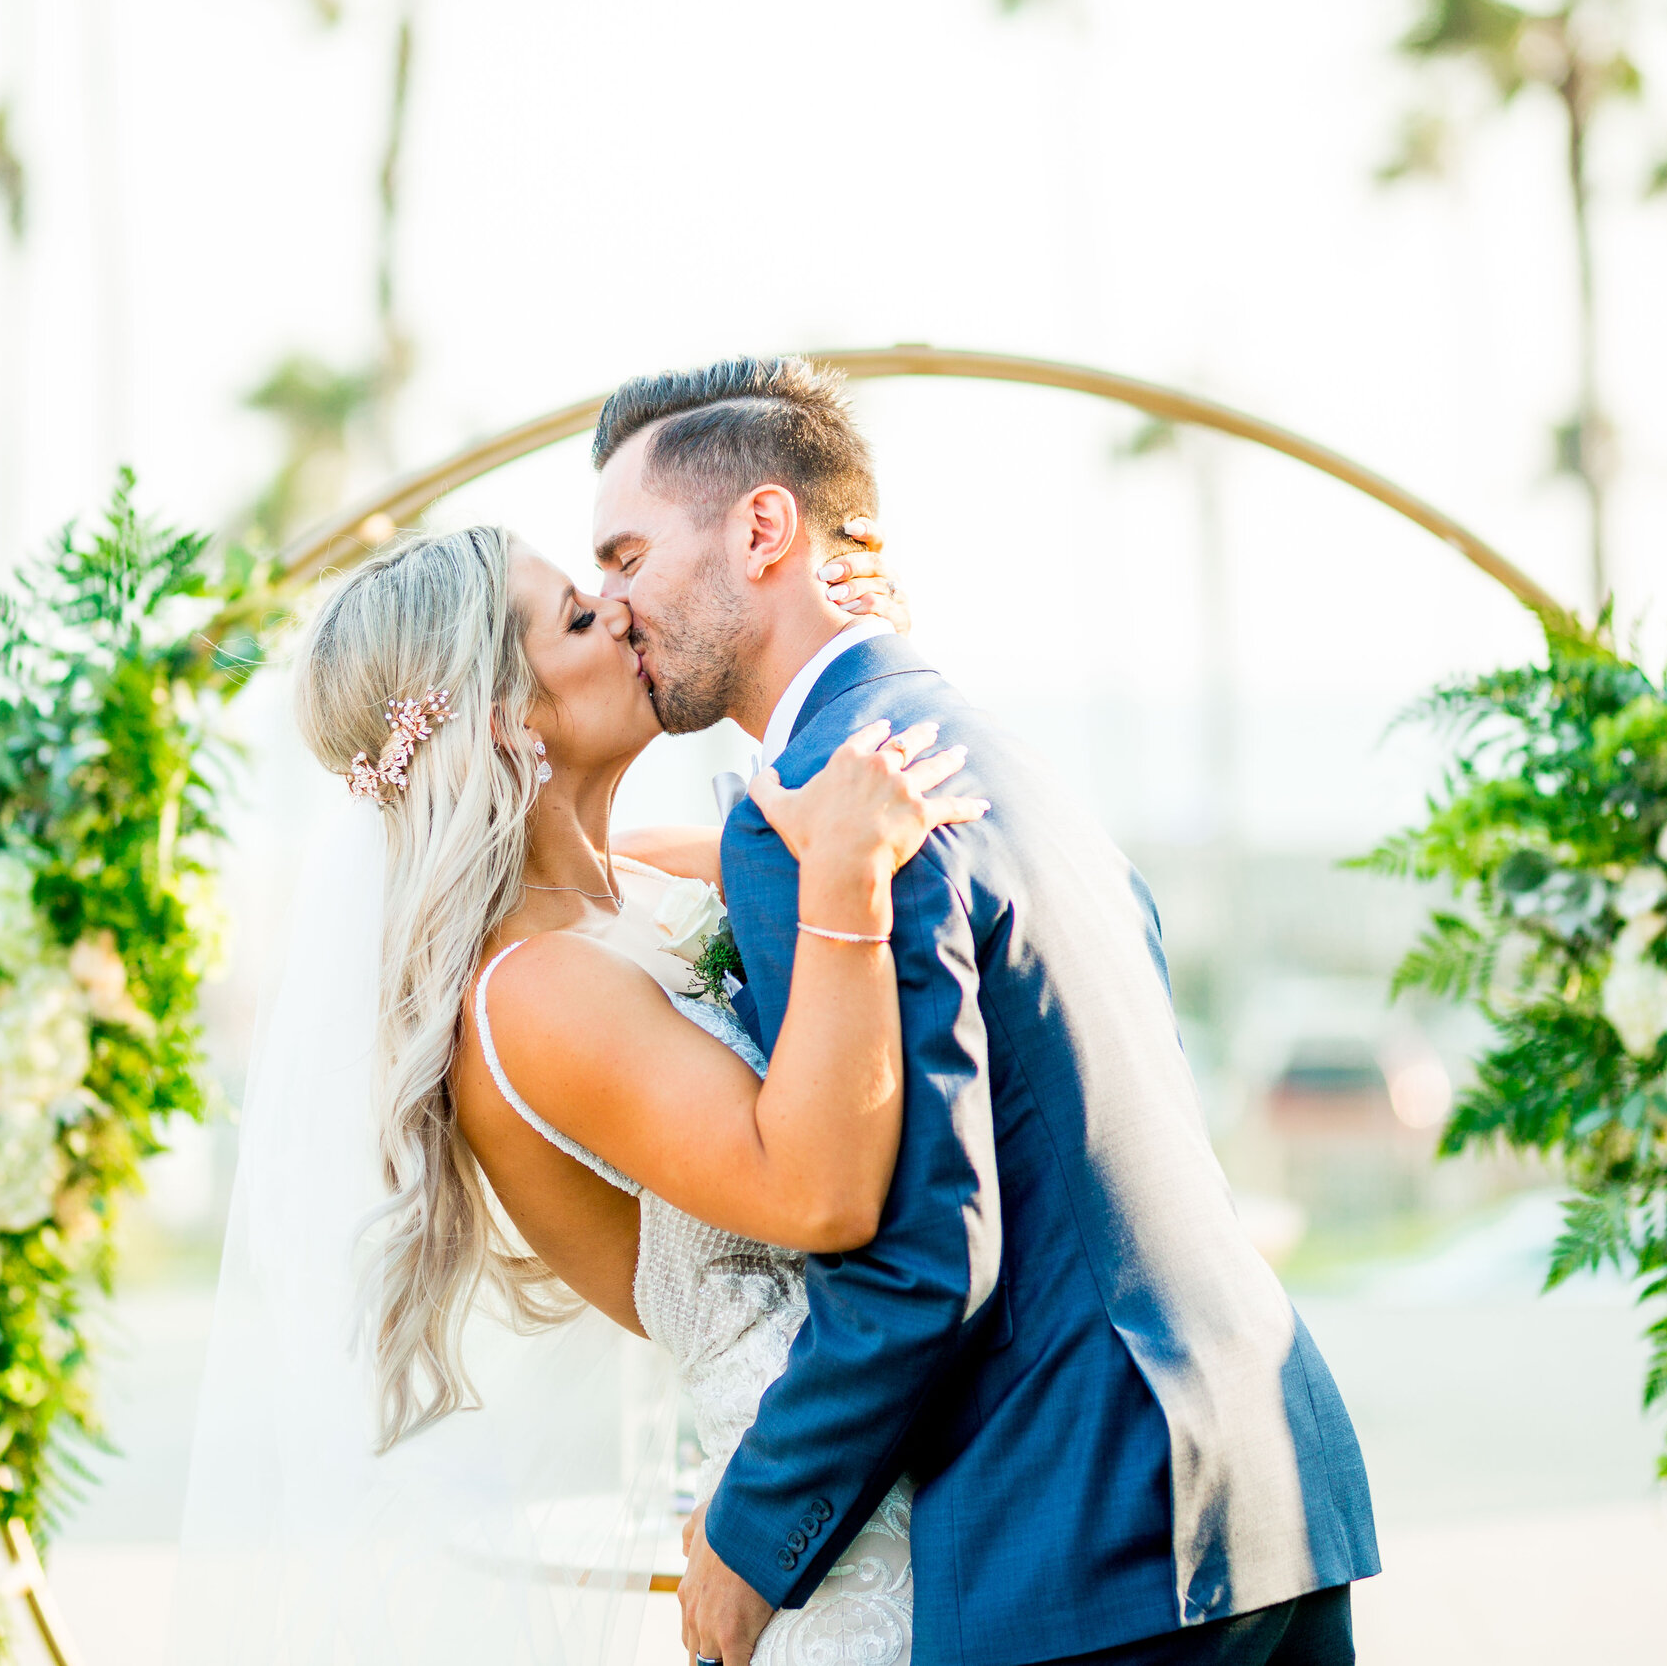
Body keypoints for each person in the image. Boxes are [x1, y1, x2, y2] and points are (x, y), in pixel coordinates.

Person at [589, 356, 1380, 1666]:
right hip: (1272, 1474)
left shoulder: (817, 811)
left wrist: (749, 1538)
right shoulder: (991, 752)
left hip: (1087, 1532)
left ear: (764, 529)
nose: (614, 607)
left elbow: (922, 1254)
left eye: (627, 555)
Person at [172, 518, 967, 1666]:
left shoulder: (652, 871)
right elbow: (818, 1192)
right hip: (841, 1527)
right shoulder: (530, 995)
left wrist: (845, 645)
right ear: (510, 719)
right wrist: (841, 873)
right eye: (583, 618)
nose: (625, 615)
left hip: (931, 1435)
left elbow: (863, 832)